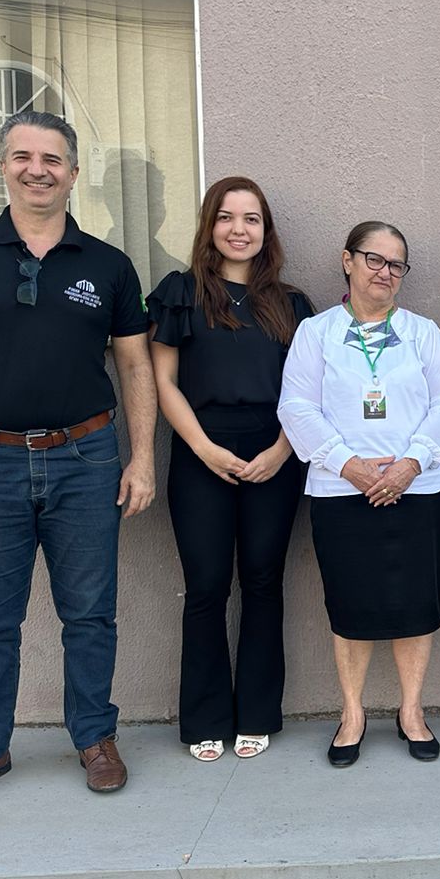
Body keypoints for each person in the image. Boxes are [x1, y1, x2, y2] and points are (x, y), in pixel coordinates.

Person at [0, 110, 156, 808]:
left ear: (74, 173)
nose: (36, 168)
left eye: (52, 158)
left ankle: (94, 737)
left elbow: (136, 367)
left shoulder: (108, 265)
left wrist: (141, 460)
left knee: (91, 613)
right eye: (23, 155)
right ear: (4, 165)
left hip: (86, 458)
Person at [278, 221, 440, 766]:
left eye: (396, 264)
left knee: (416, 604)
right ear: (347, 261)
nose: (385, 272)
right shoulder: (315, 333)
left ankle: (411, 710)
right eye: (373, 259)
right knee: (352, 605)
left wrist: (410, 465)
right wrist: (351, 466)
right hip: (342, 491)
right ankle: (353, 712)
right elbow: (296, 408)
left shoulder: (423, 332)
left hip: (421, 487)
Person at [147, 177, 312, 763]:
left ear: (266, 232)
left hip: (275, 453)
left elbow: (309, 389)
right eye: (227, 217)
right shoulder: (180, 292)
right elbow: (163, 382)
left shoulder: (291, 304)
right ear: (209, 226)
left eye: (251, 219)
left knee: (264, 583)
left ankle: (259, 712)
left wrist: (283, 450)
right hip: (201, 453)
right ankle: (205, 719)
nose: (238, 229)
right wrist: (203, 448)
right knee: (207, 587)